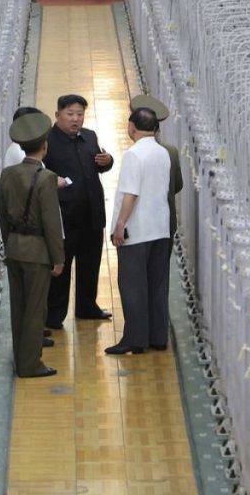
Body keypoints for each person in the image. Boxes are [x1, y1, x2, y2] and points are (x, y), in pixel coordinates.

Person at [0, 112, 65, 377]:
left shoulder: (8, 174)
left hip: (15, 247)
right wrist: (57, 257)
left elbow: (2, 215)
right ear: (45, 146)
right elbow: (51, 222)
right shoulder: (46, 177)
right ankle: (30, 364)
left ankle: (20, 358)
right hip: (37, 252)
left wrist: (10, 242)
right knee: (36, 310)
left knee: (19, 308)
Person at [43, 94, 114, 329]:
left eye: (80, 114)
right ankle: (54, 314)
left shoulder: (89, 136)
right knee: (60, 269)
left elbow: (97, 165)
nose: (75, 119)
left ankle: (87, 306)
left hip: (92, 215)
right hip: (65, 217)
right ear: (58, 115)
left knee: (90, 264)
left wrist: (107, 161)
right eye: (70, 114)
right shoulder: (48, 142)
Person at [107, 108, 171, 355]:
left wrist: (120, 224)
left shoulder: (134, 154)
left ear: (131, 127)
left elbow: (130, 193)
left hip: (138, 230)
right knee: (157, 285)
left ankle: (134, 339)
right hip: (160, 228)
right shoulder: (162, 152)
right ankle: (157, 336)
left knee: (133, 287)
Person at [130, 94, 184, 242]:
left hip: (140, 228)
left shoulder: (133, 154)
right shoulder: (170, 151)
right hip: (165, 223)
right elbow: (177, 185)